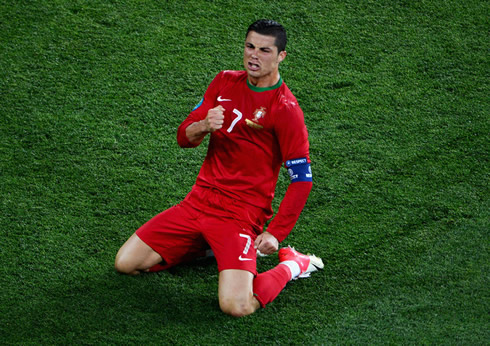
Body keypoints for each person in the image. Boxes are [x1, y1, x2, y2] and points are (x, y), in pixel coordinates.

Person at [114, 19, 323, 317]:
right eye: (250, 46)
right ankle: (208, 247)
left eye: (265, 50)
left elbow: (302, 180)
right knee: (126, 264)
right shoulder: (224, 81)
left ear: (281, 57)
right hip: (198, 202)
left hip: (240, 214)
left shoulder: (285, 109)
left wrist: (276, 233)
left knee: (237, 306)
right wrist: (203, 126)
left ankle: (293, 265)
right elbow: (183, 137)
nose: (254, 55)